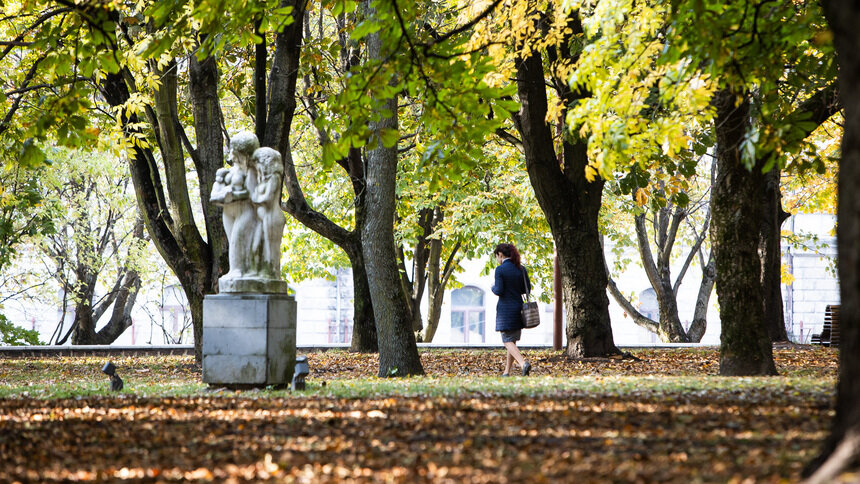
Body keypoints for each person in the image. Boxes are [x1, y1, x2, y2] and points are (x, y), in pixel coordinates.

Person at [491, 243, 532, 376]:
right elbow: (526, 289)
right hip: (519, 308)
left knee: (507, 340)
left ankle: (523, 363)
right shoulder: (521, 269)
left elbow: (499, 290)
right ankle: (506, 372)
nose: (497, 259)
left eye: (497, 256)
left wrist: (492, 287)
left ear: (500, 255)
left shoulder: (500, 270)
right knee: (512, 340)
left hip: (505, 310)